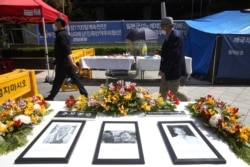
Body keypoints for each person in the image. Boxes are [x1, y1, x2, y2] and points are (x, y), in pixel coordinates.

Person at [44, 17, 88, 101]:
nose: (54, 25)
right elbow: (61, 50)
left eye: (55, 23)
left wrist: (72, 63)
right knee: (75, 79)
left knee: (57, 81)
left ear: (59, 23)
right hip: (65, 62)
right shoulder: (64, 34)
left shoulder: (61, 35)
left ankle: (51, 97)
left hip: (63, 64)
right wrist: (57, 59)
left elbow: (67, 50)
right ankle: (85, 95)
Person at [158, 17, 190, 101]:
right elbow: (171, 51)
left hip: (173, 70)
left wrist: (164, 70)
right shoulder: (172, 35)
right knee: (163, 90)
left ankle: (188, 101)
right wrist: (162, 52)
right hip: (168, 70)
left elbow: (173, 56)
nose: (161, 29)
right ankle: (160, 105)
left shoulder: (175, 37)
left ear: (168, 26)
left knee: (174, 91)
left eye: (162, 26)